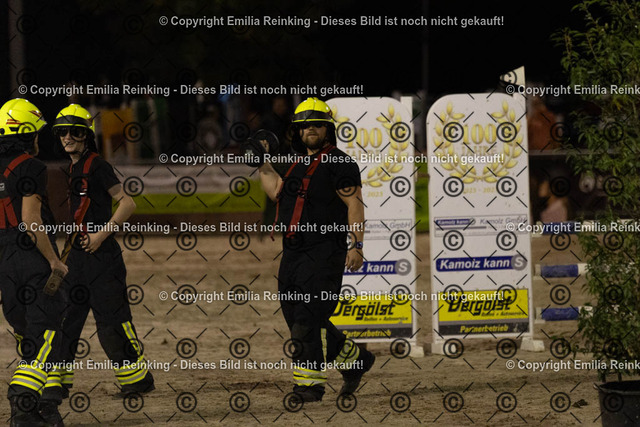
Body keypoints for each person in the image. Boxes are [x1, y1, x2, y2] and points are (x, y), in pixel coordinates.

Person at [257, 97, 374, 402]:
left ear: (328, 129)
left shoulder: (340, 163)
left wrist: (357, 246)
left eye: (317, 124)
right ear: (298, 130)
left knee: (307, 318)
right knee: (297, 316)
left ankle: (309, 386)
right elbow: (276, 191)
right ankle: (356, 360)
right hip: (293, 254)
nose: (311, 129)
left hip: (325, 252)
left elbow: (355, 205)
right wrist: (262, 163)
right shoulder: (296, 164)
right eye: (305, 125)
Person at [40, 104, 154, 406]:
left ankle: (137, 380)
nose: (67, 137)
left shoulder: (97, 165)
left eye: (74, 132)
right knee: (65, 320)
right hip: (77, 257)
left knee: (112, 321)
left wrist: (102, 235)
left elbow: (128, 203)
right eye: (62, 132)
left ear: (86, 135)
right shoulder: (73, 168)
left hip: (103, 259)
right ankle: (57, 384)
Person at [0, 98, 68, 426]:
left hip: (4, 263)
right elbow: (30, 221)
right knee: (47, 333)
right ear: (28, 133)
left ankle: (43, 406)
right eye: (37, 132)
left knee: (27, 331)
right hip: (29, 258)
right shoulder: (31, 166)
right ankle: (22, 400)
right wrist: (54, 261)